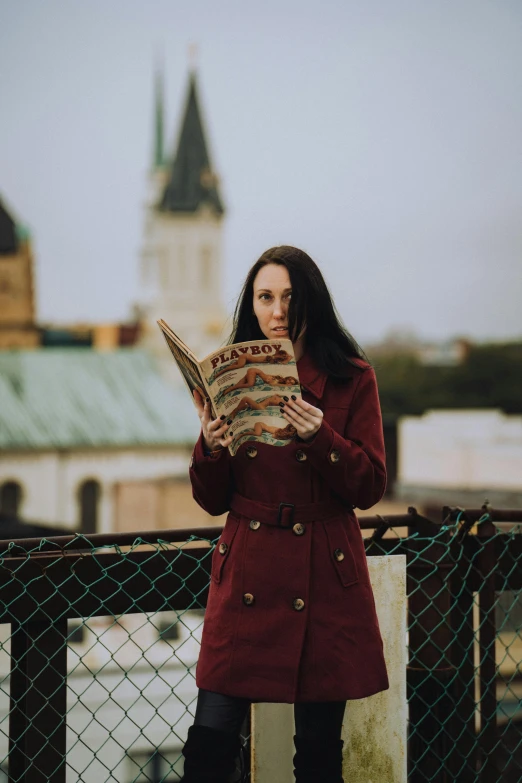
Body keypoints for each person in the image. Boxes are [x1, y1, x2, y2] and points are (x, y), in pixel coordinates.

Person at [181, 246, 388, 783]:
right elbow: (211, 498)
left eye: (289, 298)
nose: (277, 311)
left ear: (311, 303)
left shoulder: (352, 377)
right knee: (207, 747)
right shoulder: (230, 376)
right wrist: (210, 445)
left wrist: (321, 437)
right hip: (247, 565)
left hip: (323, 573)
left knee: (317, 759)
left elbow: (370, 485)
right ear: (251, 305)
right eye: (265, 297)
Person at [213, 347, 292, 379]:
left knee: (235, 365)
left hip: (247, 358)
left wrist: (287, 357)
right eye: (283, 356)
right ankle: (221, 372)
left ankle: (221, 372)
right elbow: (284, 362)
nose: (284, 357)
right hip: (246, 357)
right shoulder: (271, 358)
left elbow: (284, 362)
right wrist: (288, 357)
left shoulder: (274, 359)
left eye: (284, 356)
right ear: (279, 354)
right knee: (239, 366)